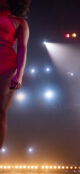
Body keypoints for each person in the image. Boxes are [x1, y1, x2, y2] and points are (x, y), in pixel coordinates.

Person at [0, 0, 30, 148]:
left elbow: (22, 49)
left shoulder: (19, 22)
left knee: (0, 112)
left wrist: (19, 74)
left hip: (6, 67)